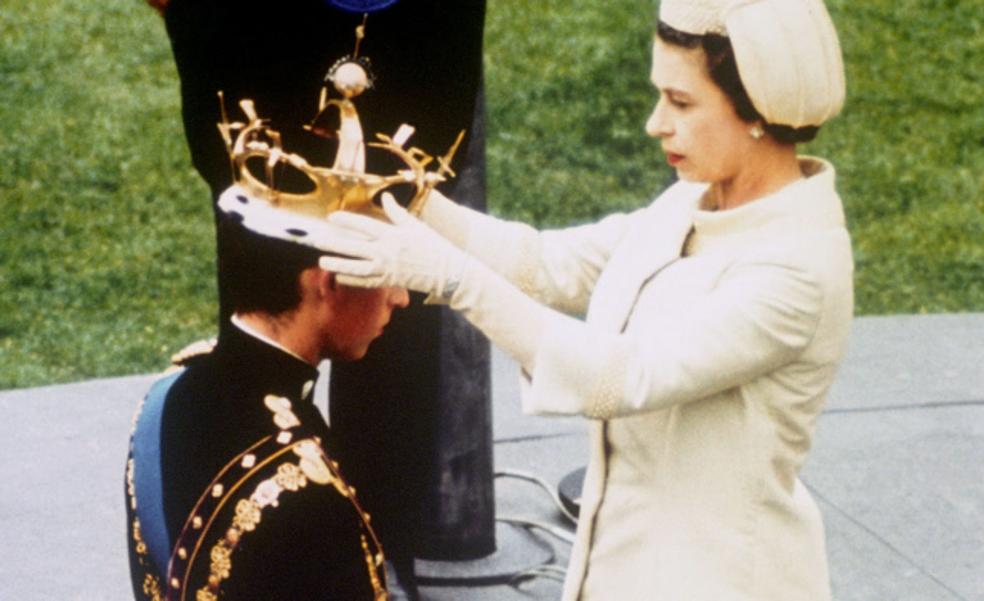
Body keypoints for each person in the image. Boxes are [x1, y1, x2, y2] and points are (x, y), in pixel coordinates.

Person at [315, 0, 852, 598]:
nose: (655, 123)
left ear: (757, 110)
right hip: (621, 565)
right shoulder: (690, 203)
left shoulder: (798, 265)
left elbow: (619, 378)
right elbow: (546, 264)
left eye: (681, 102)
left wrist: (452, 277)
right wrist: (409, 197)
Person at [145, 2, 490, 589]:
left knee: (387, 307)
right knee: (267, 264)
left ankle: (372, 556)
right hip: (258, 34)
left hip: (416, 28)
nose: (407, 296)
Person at [123, 189, 409, 600]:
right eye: (388, 275)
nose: (401, 298)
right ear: (328, 282)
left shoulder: (168, 391)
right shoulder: (310, 500)